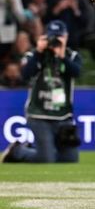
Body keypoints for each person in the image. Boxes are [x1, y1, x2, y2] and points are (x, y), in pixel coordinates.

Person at [1, 20, 82, 163]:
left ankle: (31, 149)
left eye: (59, 37)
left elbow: (76, 73)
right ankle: (18, 151)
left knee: (70, 159)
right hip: (38, 115)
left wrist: (62, 56)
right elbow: (26, 75)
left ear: (66, 37)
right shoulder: (33, 55)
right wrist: (39, 52)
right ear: (45, 37)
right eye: (52, 37)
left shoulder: (72, 56)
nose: (55, 40)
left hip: (63, 116)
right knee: (46, 159)